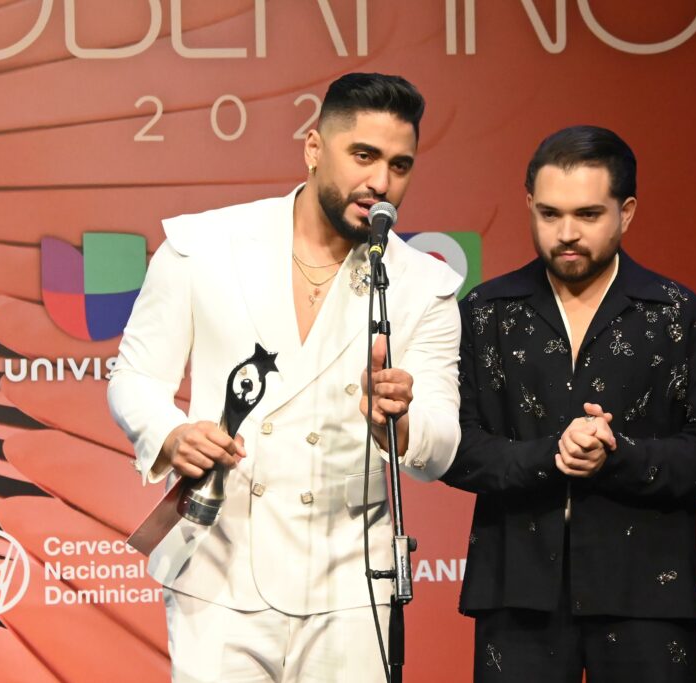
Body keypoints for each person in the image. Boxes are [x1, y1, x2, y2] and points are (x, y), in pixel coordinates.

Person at [107, 73, 462, 683]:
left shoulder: (422, 285)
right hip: (221, 567)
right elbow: (134, 377)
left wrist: (400, 425)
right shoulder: (204, 244)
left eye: (399, 165)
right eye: (363, 156)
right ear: (314, 148)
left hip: (352, 582)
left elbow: (442, 446)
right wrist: (171, 434)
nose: (381, 183)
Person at [441, 125, 696, 682]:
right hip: (517, 594)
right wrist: (550, 455)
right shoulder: (485, 312)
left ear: (625, 213)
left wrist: (619, 454)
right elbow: (451, 446)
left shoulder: (677, 314)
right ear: (529, 205)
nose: (566, 234)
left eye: (587, 215)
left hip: (646, 591)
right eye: (549, 214)